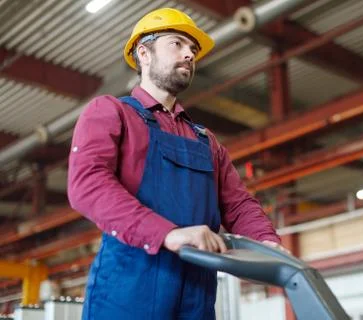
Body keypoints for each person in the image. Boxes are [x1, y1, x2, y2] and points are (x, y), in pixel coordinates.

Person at [67, 7, 282, 320]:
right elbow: (87, 184)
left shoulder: (206, 141)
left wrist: (268, 245)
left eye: (192, 49)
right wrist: (166, 234)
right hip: (127, 296)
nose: (189, 54)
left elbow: (238, 205)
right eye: (177, 44)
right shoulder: (111, 113)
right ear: (145, 53)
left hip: (196, 298)